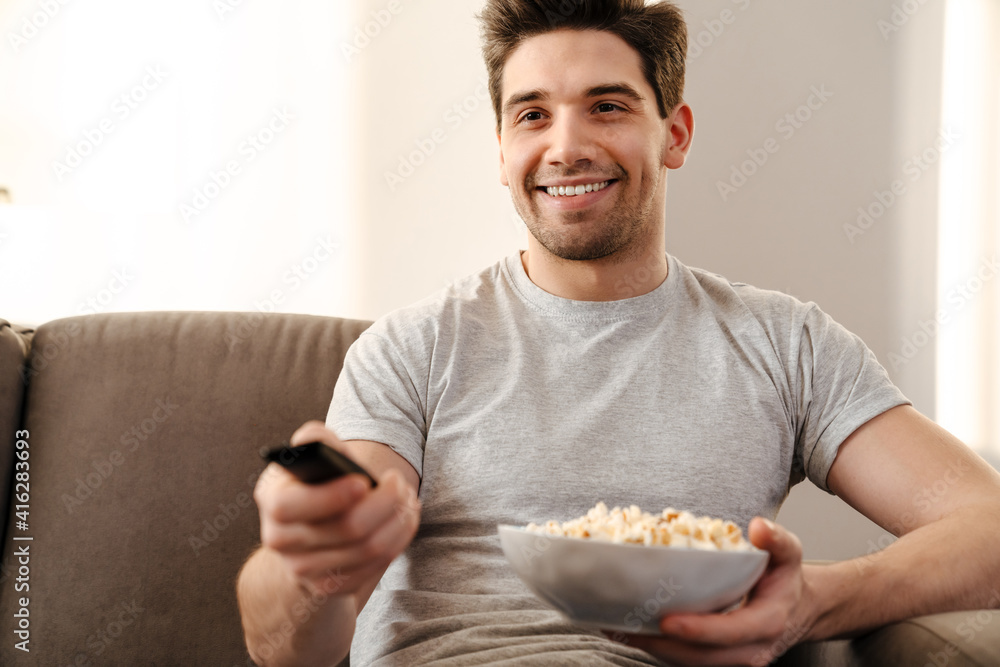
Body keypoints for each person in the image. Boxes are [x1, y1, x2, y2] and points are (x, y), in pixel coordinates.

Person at [236, 1, 1000, 665]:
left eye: (606, 106)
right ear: (501, 151)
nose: (565, 146)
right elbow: (287, 647)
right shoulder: (412, 350)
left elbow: (988, 527)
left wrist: (818, 600)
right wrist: (313, 563)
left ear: (675, 134)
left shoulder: (784, 345)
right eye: (532, 113)